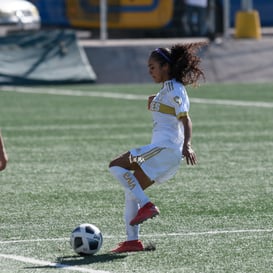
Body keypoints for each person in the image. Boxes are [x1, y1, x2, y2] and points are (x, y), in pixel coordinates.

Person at [109, 42, 206, 253]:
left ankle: (147, 205)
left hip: (166, 149)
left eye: (153, 67)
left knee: (116, 166)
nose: (149, 71)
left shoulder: (174, 89)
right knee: (131, 190)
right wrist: (154, 103)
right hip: (165, 153)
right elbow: (168, 110)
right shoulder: (166, 90)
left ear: (166, 67)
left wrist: (187, 144)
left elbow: (185, 118)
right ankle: (132, 241)